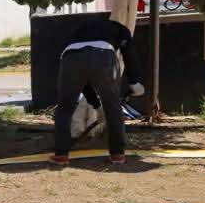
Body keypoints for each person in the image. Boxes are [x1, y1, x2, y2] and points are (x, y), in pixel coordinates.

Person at [51, 14, 146, 165]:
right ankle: (117, 155)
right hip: (103, 56)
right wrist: (134, 82)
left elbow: (83, 81)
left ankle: (61, 155)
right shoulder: (121, 29)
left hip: (70, 58)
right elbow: (130, 55)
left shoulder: (79, 30)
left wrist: (95, 103)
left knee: (65, 107)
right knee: (113, 107)